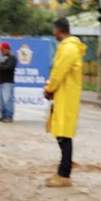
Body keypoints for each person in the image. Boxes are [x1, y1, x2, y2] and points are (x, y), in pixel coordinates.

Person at [42, 17, 84, 187]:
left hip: (66, 97)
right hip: (64, 95)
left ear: (59, 30)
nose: (54, 34)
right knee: (62, 134)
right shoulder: (68, 48)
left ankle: (64, 174)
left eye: (55, 30)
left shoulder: (68, 49)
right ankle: (62, 171)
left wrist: (49, 88)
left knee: (64, 135)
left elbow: (58, 72)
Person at [0, 41, 17, 122]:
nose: (1, 51)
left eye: (3, 50)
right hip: (1, 81)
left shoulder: (12, 58)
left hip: (8, 82)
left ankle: (9, 116)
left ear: (7, 49)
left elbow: (8, 68)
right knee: (2, 100)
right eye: (1, 50)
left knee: (7, 99)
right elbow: (0, 68)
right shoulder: (3, 58)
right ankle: (3, 115)